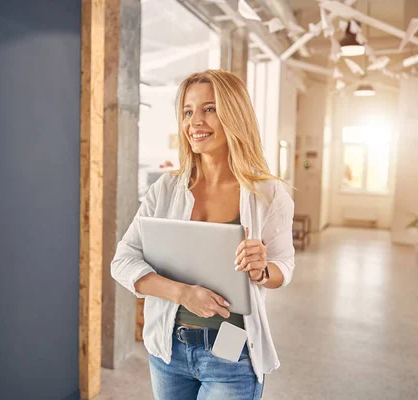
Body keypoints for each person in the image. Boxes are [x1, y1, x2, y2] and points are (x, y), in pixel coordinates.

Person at [111, 70, 295, 400]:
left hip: (232, 355)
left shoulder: (268, 193)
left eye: (209, 109)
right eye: (187, 111)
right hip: (168, 351)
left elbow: (284, 268)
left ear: (234, 115)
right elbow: (122, 261)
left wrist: (263, 269)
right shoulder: (166, 188)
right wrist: (181, 293)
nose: (195, 121)